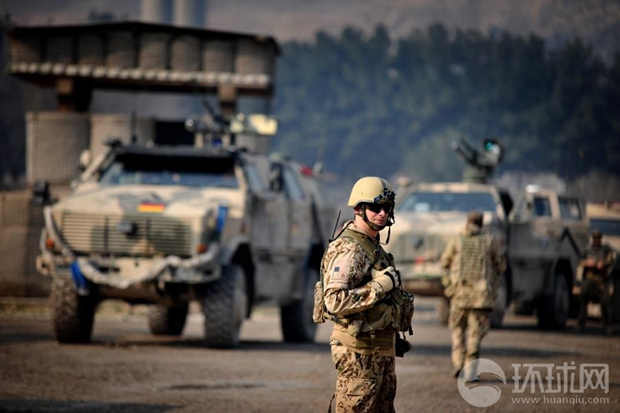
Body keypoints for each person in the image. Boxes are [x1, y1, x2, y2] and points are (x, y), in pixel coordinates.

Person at [316, 176, 413, 413]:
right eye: (375, 207)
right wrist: (380, 287)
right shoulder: (350, 248)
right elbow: (334, 301)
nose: (382, 213)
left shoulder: (371, 244)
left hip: (378, 351)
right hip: (358, 354)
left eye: (387, 208)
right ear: (358, 209)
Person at [440, 210, 506, 379]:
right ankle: (470, 370)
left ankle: (458, 363)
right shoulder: (489, 241)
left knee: (457, 331)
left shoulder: (457, 240)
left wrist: (449, 288)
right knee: (474, 335)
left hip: (459, 295)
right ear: (482, 223)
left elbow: (444, 264)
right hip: (480, 297)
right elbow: (501, 266)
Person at [577, 230, 616, 334]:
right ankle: (580, 324)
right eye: (595, 238)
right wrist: (587, 263)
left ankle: (608, 324)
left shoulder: (605, 250)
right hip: (589, 278)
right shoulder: (588, 249)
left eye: (598, 238)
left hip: (601, 279)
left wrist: (603, 263)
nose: (596, 240)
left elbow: (611, 260)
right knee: (583, 299)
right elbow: (580, 261)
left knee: (605, 302)